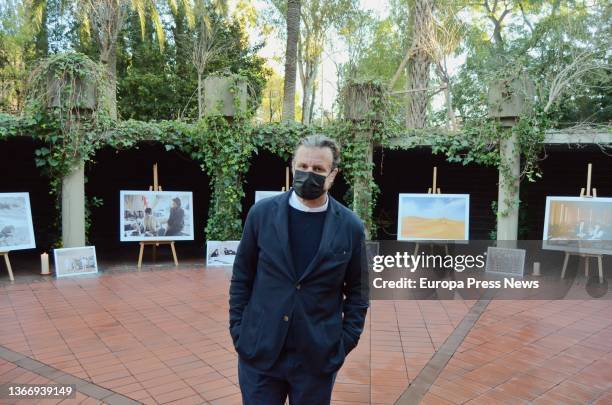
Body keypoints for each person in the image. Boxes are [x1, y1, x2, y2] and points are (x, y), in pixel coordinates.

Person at [229, 134, 369, 404]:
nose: (309, 174)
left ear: (332, 174)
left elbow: (358, 292)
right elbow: (242, 277)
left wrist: (343, 343)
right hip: (260, 352)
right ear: (293, 166)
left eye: (318, 169)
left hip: (317, 357)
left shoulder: (350, 227)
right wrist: (239, 329)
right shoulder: (262, 214)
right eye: (303, 167)